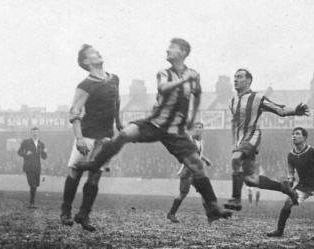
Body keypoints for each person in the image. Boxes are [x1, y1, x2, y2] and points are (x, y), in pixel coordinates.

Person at [76, 38, 231, 223]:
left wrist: (193, 116)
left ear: (182, 52)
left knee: (196, 164)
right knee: (126, 133)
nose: (167, 49)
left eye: (172, 47)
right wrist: (183, 79)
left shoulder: (194, 75)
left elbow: (197, 94)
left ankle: (212, 204)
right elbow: (162, 88)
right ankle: (95, 164)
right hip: (154, 123)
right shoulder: (164, 73)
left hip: (175, 130)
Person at [223, 69, 308, 212]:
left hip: (252, 137)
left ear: (248, 81)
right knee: (251, 180)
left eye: (239, 77)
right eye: (234, 77)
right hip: (240, 142)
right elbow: (234, 124)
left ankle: (236, 199)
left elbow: (278, 109)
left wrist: (295, 110)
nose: (235, 80)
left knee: (235, 159)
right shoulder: (231, 101)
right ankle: (284, 187)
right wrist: (234, 143)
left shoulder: (257, 98)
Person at [61, 44, 123, 231]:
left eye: (98, 51)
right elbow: (75, 111)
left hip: (105, 137)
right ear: (86, 62)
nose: (98, 53)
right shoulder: (86, 85)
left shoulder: (114, 79)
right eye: (93, 53)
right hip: (87, 135)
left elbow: (117, 101)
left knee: (95, 176)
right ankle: (65, 211)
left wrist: (118, 122)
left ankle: (83, 214)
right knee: (76, 172)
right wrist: (79, 138)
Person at [166, 121, 212, 223]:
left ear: (202, 130)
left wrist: (206, 160)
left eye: (200, 127)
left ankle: (210, 215)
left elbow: (198, 154)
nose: (197, 129)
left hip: (196, 172)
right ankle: (171, 214)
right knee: (183, 193)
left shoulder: (202, 142)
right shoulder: (189, 140)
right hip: (187, 171)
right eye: (196, 127)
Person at [17, 127, 48, 208]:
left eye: (36, 132)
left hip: (37, 167)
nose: (35, 133)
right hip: (29, 167)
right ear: (31, 133)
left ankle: (32, 202)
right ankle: (32, 203)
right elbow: (19, 152)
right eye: (33, 132)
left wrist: (45, 152)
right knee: (33, 184)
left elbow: (44, 157)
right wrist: (26, 154)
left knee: (35, 185)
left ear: (39, 133)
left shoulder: (41, 144)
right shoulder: (26, 142)